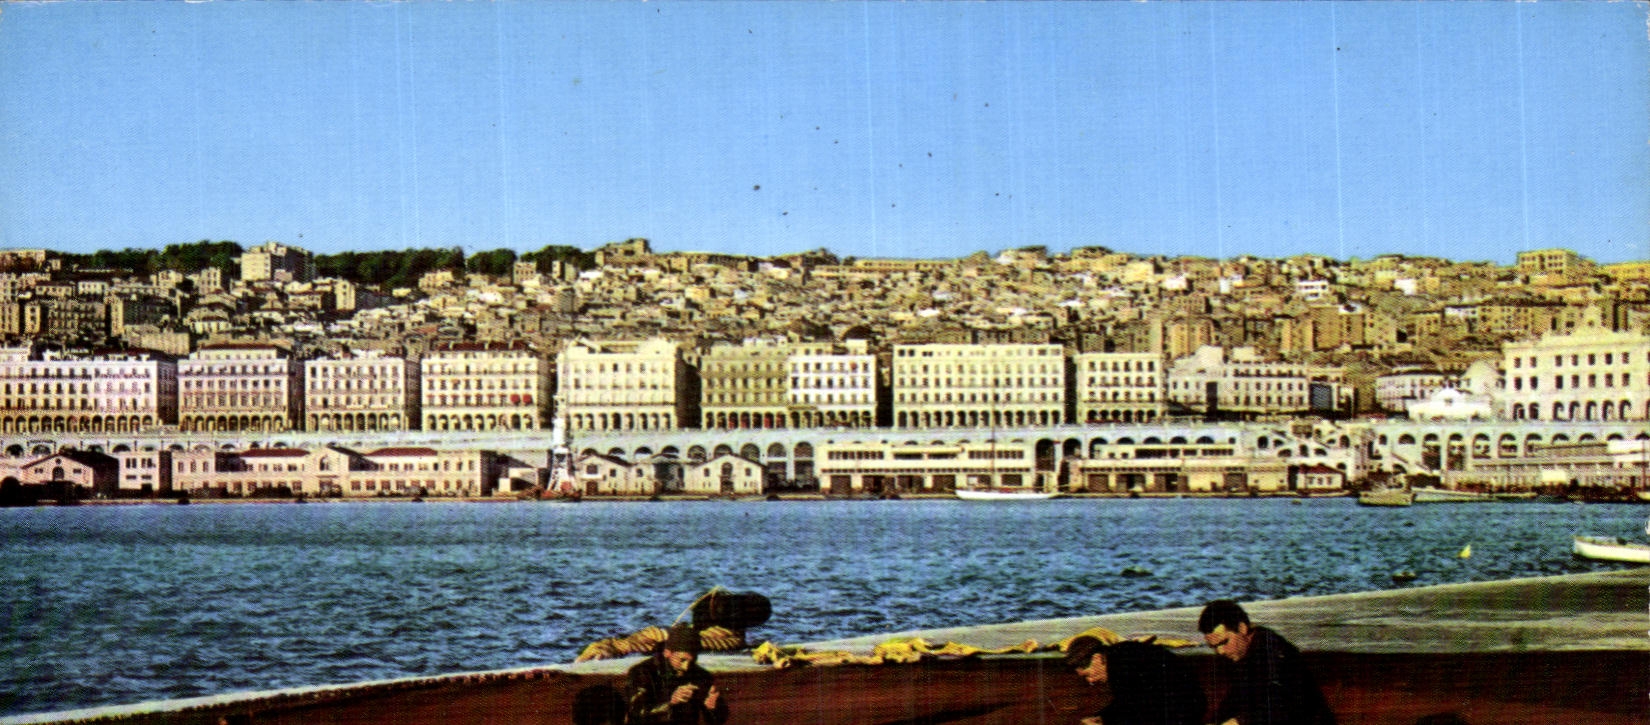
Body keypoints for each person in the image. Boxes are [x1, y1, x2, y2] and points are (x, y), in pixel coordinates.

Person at [1198, 600, 1336, 725]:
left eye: (1224, 642)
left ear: (1242, 628)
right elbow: (1236, 698)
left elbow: (1284, 706)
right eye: (1214, 646)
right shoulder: (1239, 654)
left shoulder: (1276, 653)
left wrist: (1240, 721)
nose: (1220, 651)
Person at [1064, 635, 1206, 725]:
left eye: (1087, 675)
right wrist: (1101, 717)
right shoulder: (1119, 655)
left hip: (1182, 710)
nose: (1090, 681)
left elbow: (1136, 708)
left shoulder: (1122, 666)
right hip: (1179, 706)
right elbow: (1126, 703)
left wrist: (1105, 720)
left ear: (1097, 658)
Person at [625, 624, 729, 725]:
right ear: (667, 653)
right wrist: (670, 703)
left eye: (692, 661)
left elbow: (716, 721)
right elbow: (636, 711)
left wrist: (713, 708)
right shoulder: (642, 672)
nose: (686, 667)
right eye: (682, 660)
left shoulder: (701, 675)